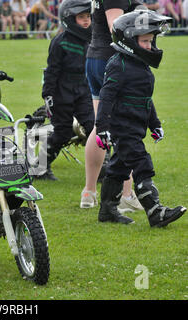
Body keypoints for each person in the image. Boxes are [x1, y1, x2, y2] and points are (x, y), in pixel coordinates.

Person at [95, 9, 186, 226]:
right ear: (128, 40)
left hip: (135, 126)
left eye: (151, 41)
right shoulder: (119, 64)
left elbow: (146, 99)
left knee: (118, 167)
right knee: (142, 163)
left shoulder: (141, 65)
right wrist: (101, 127)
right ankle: (155, 212)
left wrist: (154, 124)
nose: (149, 46)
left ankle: (107, 211)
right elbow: (106, 97)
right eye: (145, 41)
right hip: (123, 128)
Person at [80, 0, 145, 213]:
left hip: (95, 57)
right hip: (111, 59)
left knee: (100, 127)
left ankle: (89, 193)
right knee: (124, 128)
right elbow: (116, 25)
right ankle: (126, 194)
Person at [37, 0, 94, 180]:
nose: (86, 21)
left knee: (94, 128)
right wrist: (47, 94)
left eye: (88, 17)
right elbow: (51, 70)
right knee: (63, 133)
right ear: (69, 18)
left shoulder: (93, 40)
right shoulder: (60, 42)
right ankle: (40, 168)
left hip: (83, 90)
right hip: (62, 93)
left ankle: (102, 168)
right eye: (81, 17)